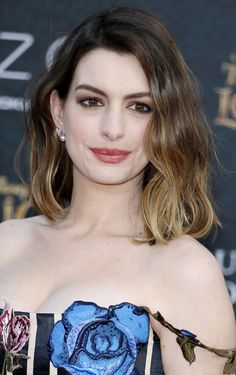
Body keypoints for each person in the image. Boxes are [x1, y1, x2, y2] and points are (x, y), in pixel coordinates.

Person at [0, 6, 235, 375]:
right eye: (92, 101)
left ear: (165, 124)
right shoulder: (5, 243)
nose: (113, 128)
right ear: (59, 111)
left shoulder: (186, 270)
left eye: (139, 107)